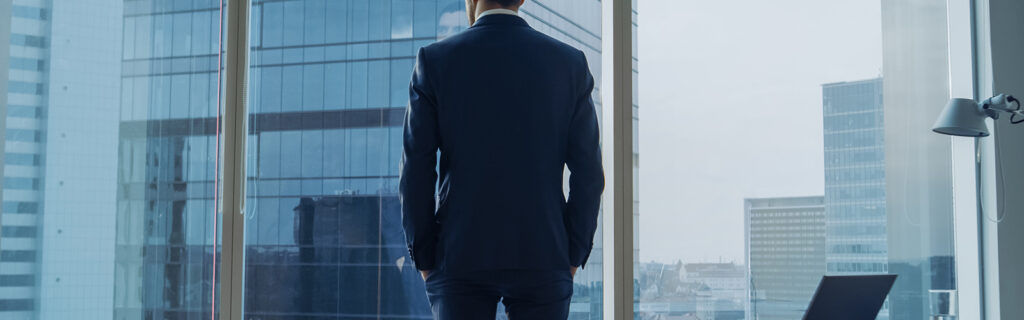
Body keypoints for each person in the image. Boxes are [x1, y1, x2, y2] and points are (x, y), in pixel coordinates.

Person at [399, 0, 605, 318]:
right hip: (544, 255)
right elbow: (589, 174)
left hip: (459, 257)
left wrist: (425, 258)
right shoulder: (569, 64)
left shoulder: (435, 61)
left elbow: (416, 169)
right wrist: (572, 254)